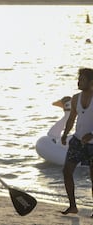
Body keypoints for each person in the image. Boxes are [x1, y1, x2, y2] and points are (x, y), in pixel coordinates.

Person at [60, 68, 93, 216]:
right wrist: (65, 134)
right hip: (77, 141)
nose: (79, 81)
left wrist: (92, 134)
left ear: (91, 82)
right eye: (79, 78)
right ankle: (72, 206)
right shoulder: (75, 98)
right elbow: (72, 118)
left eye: (83, 79)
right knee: (67, 171)